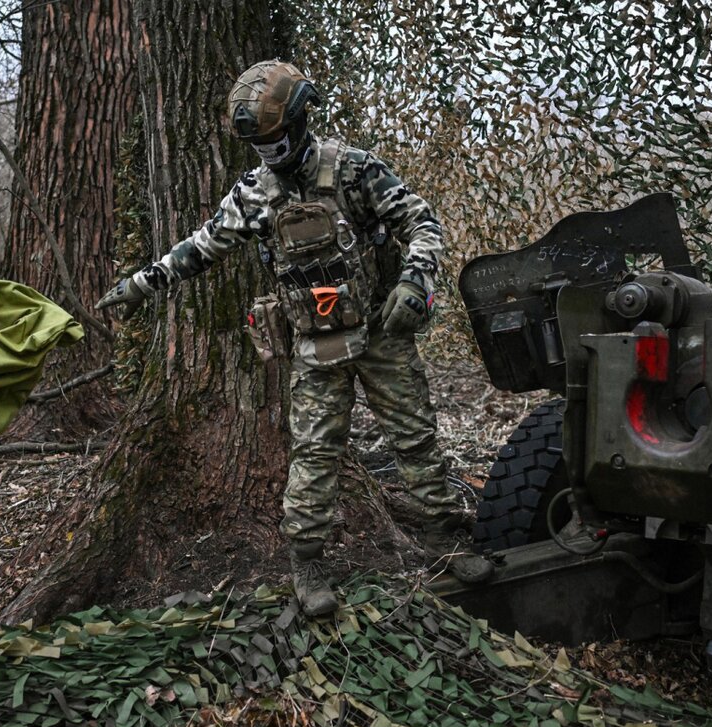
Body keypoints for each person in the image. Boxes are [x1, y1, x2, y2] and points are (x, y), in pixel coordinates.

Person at [96, 60, 494, 616]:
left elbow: (422, 222)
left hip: (381, 328)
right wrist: (142, 283)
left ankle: (446, 539)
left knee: (416, 438)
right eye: (261, 143)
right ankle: (307, 563)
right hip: (317, 344)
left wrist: (414, 279)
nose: (272, 151)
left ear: (302, 119)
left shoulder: (353, 170)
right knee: (314, 452)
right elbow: (202, 246)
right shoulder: (256, 195)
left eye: (278, 137)